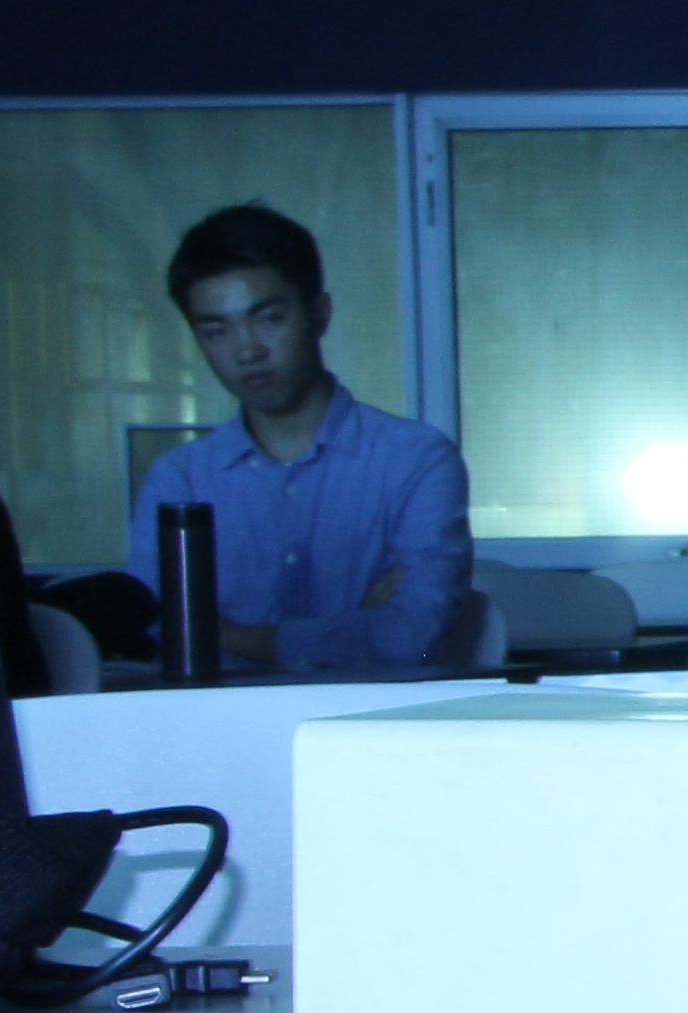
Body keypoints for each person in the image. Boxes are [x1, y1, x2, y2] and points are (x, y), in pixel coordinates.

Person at [123, 205, 475, 669]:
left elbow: (410, 637)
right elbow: (151, 632)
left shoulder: (415, 460)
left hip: (367, 714)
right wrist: (349, 631)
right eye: (216, 331)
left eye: (268, 319)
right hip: (217, 714)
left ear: (319, 314)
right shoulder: (180, 479)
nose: (246, 350)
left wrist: (223, 634)